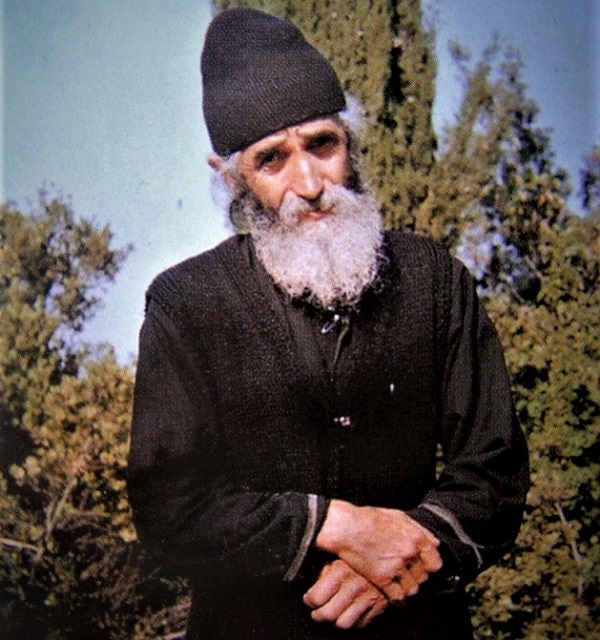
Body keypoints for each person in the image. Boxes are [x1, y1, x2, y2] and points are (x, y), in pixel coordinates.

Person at [127, 8, 529, 640]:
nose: (310, 182)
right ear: (230, 177)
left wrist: (401, 559)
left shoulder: (435, 280)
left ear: (350, 140)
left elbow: (495, 469)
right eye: (272, 160)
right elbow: (170, 505)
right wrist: (337, 526)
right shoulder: (186, 303)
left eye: (322, 144)